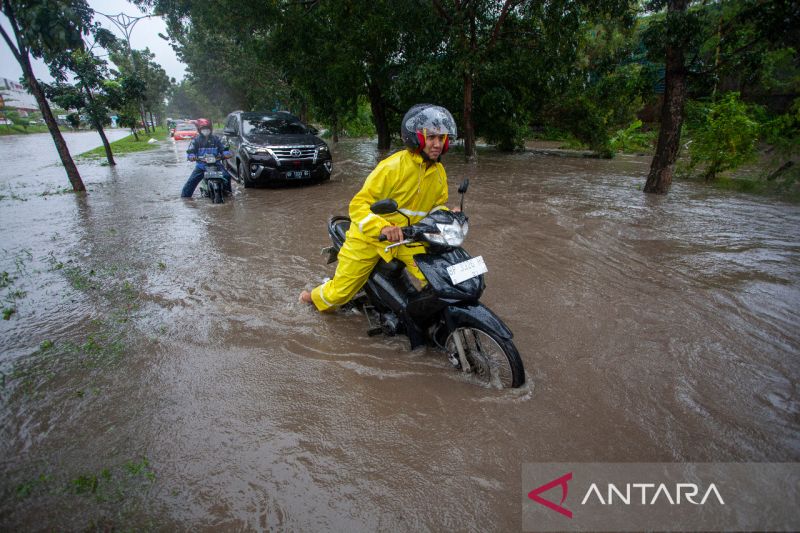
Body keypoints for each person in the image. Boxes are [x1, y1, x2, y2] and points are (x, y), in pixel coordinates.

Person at [300, 103, 458, 311]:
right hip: (370, 237)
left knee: (441, 276)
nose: (437, 144)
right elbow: (358, 205)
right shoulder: (393, 167)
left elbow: (435, 207)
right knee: (339, 295)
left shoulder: (439, 173)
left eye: (441, 138)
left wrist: (449, 215)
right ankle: (310, 297)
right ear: (417, 138)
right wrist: (383, 228)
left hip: (408, 238)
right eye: (431, 137)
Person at [181, 118, 233, 198]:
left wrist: (226, 153)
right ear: (199, 129)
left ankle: (228, 193)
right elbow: (190, 151)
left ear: (210, 129)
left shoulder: (217, 139)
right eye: (203, 129)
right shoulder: (196, 140)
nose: (206, 130)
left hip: (216, 164)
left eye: (207, 129)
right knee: (190, 183)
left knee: (227, 176)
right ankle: (185, 198)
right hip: (201, 166)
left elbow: (224, 149)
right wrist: (191, 156)